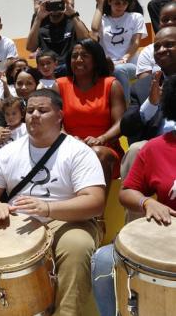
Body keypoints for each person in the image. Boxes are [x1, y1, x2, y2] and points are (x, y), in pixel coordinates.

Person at [0, 89, 106, 316]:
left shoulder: (78, 152)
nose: (34, 115)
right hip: (18, 220)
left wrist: (48, 208)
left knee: (78, 245)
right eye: (30, 110)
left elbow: (95, 201)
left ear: (59, 116)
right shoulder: (9, 151)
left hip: (66, 221)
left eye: (42, 110)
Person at [91, 74, 176, 316]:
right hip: (167, 239)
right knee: (104, 260)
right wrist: (147, 201)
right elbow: (127, 192)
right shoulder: (156, 147)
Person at [54, 39, 126, 188]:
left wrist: (101, 139)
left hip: (105, 151)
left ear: (96, 59)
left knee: (97, 153)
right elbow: (54, 123)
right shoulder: (60, 85)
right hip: (69, 148)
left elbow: (121, 123)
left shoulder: (111, 84)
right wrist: (69, 140)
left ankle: (96, 210)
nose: (78, 60)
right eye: (74, 56)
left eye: (84, 55)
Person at [120, 26, 176, 180]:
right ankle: (133, 202)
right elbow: (126, 127)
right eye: (157, 46)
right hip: (158, 149)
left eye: (169, 45)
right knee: (136, 149)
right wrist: (151, 104)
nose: (161, 50)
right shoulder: (143, 86)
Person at [91, 0, 147, 102]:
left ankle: (124, 109)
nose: (121, 6)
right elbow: (94, 30)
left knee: (119, 70)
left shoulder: (136, 17)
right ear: (110, 1)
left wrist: (126, 57)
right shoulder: (103, 20)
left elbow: (136, 42)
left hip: (130, 64)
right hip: (108, 64)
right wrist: (100, 4)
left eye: (124, 3)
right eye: (117, 2)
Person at [26, 0, 89, 77]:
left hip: (69, 67)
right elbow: (30, 48)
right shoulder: (41, 26)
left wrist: (72, 13)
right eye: (52, 4)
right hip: (48, 68)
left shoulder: (72, 22)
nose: (55, 8)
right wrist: (38, 18)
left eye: (59, 4)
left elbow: (86, 40)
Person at [137, 1, 176, 79]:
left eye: (169, 45)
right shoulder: (147, 52)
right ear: (159, 23)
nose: (170, 23)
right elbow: (145, 86)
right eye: (165, 20)